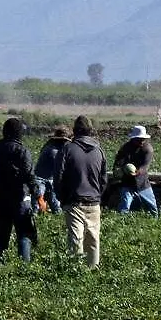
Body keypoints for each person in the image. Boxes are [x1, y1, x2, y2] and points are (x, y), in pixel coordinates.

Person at [55, 115, 107, 268]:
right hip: (94, 202)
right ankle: (93, 271)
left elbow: (58, 177)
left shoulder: (67, 149)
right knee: (93, 240)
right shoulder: (99, 151)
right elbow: (104, 180)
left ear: (74, 131)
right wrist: (97, 196)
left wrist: (62, 198)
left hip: (74, 202)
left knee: (75, 240)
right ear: (90, 131)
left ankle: (75, 273)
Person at [0, 118, 38, 263]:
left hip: (1, 199)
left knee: (2, 234)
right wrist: (37, 194)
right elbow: (29, 176)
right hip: (20, 198)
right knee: (24, 234)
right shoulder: (22, 151)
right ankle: (23, 266)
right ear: (18, 133)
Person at [112, 125, 160, 216]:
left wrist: (139, 171)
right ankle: (121, 224)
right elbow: (118, 163)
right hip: (127, 182)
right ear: (134, 139)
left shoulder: (148, 149)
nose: (142, 141)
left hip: (142, 183)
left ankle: (155, 221)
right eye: (139, 139)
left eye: (143, 139)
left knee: (152, 207)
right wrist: (122, 170)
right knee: (124, 207)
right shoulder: (125, 148)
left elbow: (145, 165)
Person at [34, 127, 70, 214]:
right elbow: (61, 169)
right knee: (37, 206)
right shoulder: (53, 151)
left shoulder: (52, 147)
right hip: (40, 179)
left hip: (50, 179)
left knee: (56, 206)